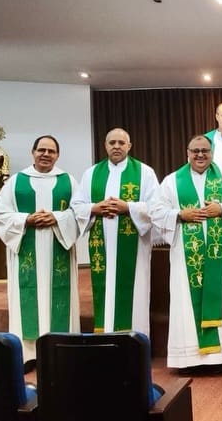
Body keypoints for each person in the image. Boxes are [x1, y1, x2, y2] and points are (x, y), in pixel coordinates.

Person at [150, 135, 222, 374]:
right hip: (185, 254)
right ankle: (188, 359)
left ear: (211, 152)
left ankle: (219, 358)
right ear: (187, 153)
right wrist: (180, 214)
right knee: (185, 301)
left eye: (205, 150)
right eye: (195, 151)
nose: (200, 155)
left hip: (218, 253)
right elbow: (156, 210)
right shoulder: (172, 181)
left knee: (220, 298)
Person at [0, 135, 82, 364]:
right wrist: (26, 219)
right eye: (41, 150)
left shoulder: (68, 181)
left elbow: (80, 213)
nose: (46, 154)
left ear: (57, 155)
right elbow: (0, 214)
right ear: (33, 152)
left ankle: (61, 352)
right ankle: (28, 355)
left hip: (58, 247)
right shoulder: (16, 181)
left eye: (51, 151)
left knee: (59, 297)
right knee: (27, 299)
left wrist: (56, 217)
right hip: (27, 248)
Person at [71, 128, 159, 336]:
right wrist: (96, 208)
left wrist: (127, 207)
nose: (116, 146)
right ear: (105, 146)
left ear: (129, 146)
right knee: (105, 290)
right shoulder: (92, 173)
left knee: (135, 293)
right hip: (102, 245)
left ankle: (135, 341)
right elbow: (76, 206)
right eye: (112, 143)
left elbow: (157, 206)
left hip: (134, 247)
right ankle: (105, 338)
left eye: (121, 143)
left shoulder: (145, 172)